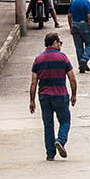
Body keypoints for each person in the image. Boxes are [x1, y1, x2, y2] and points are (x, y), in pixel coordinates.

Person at [29, 32, 78, 161]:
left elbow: (34, 82)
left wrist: (32, 100)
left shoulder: (38, 59)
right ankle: (60, 141)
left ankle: (50, 154)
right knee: (65, 121)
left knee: (48, 125)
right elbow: (72, 78)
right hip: (60, 95)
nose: (60, 45)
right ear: (55, 43)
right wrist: (74, 95)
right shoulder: (63, 58)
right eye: (59, 42)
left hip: (44, 96)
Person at [69, 0, 90, 72]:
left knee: (78, 47)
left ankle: (82, 66)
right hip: (84, 25)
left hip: (75, 24)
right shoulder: (86, 2)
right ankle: (84, 59)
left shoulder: (73, 2)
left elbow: (69, 15)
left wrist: (70, 26)